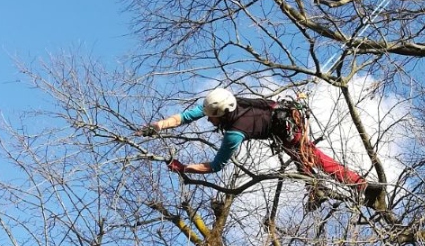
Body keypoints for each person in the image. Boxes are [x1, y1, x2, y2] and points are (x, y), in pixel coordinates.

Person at [142, 87, 384, 206]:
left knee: (317, 160)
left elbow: (215, 165)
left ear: (221, 114)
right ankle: (316, 189)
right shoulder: (227, 101)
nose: (207, 120)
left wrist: (184, 168)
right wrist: (158, 126)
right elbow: (185, 117)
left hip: (288, 130)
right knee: (303, 160)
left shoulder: (234, 134)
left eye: (210, 118)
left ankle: (361, 185)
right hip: (287, 114)